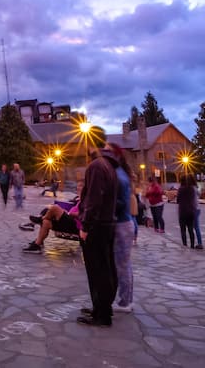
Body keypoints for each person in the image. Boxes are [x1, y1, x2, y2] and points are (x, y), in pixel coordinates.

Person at [77, 137, 119, 328]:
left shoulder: (96, 167)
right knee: (107, 268)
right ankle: (103, 307)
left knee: (97, 271)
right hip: (108, 224)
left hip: (97, 226)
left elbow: (94, 201)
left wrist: (85, 227)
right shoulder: (110, 167)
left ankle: (101, 315)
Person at [108, 143, 134, 313]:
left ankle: (125, 302)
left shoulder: (118, 176)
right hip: (125, 223)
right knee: (124, 265)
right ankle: (125, 299)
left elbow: (120, 202)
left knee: (122, 266)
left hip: (121, 225)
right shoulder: (121, 174)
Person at [177, 173, 203, 249]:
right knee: (191, 228)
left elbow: (178, 200)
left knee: (184, 229)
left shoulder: (182, 189)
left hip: (185, 211)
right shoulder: (194, 188)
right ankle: (193, 245)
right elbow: (198, 195)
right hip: (193, 210)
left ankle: (185, 245)